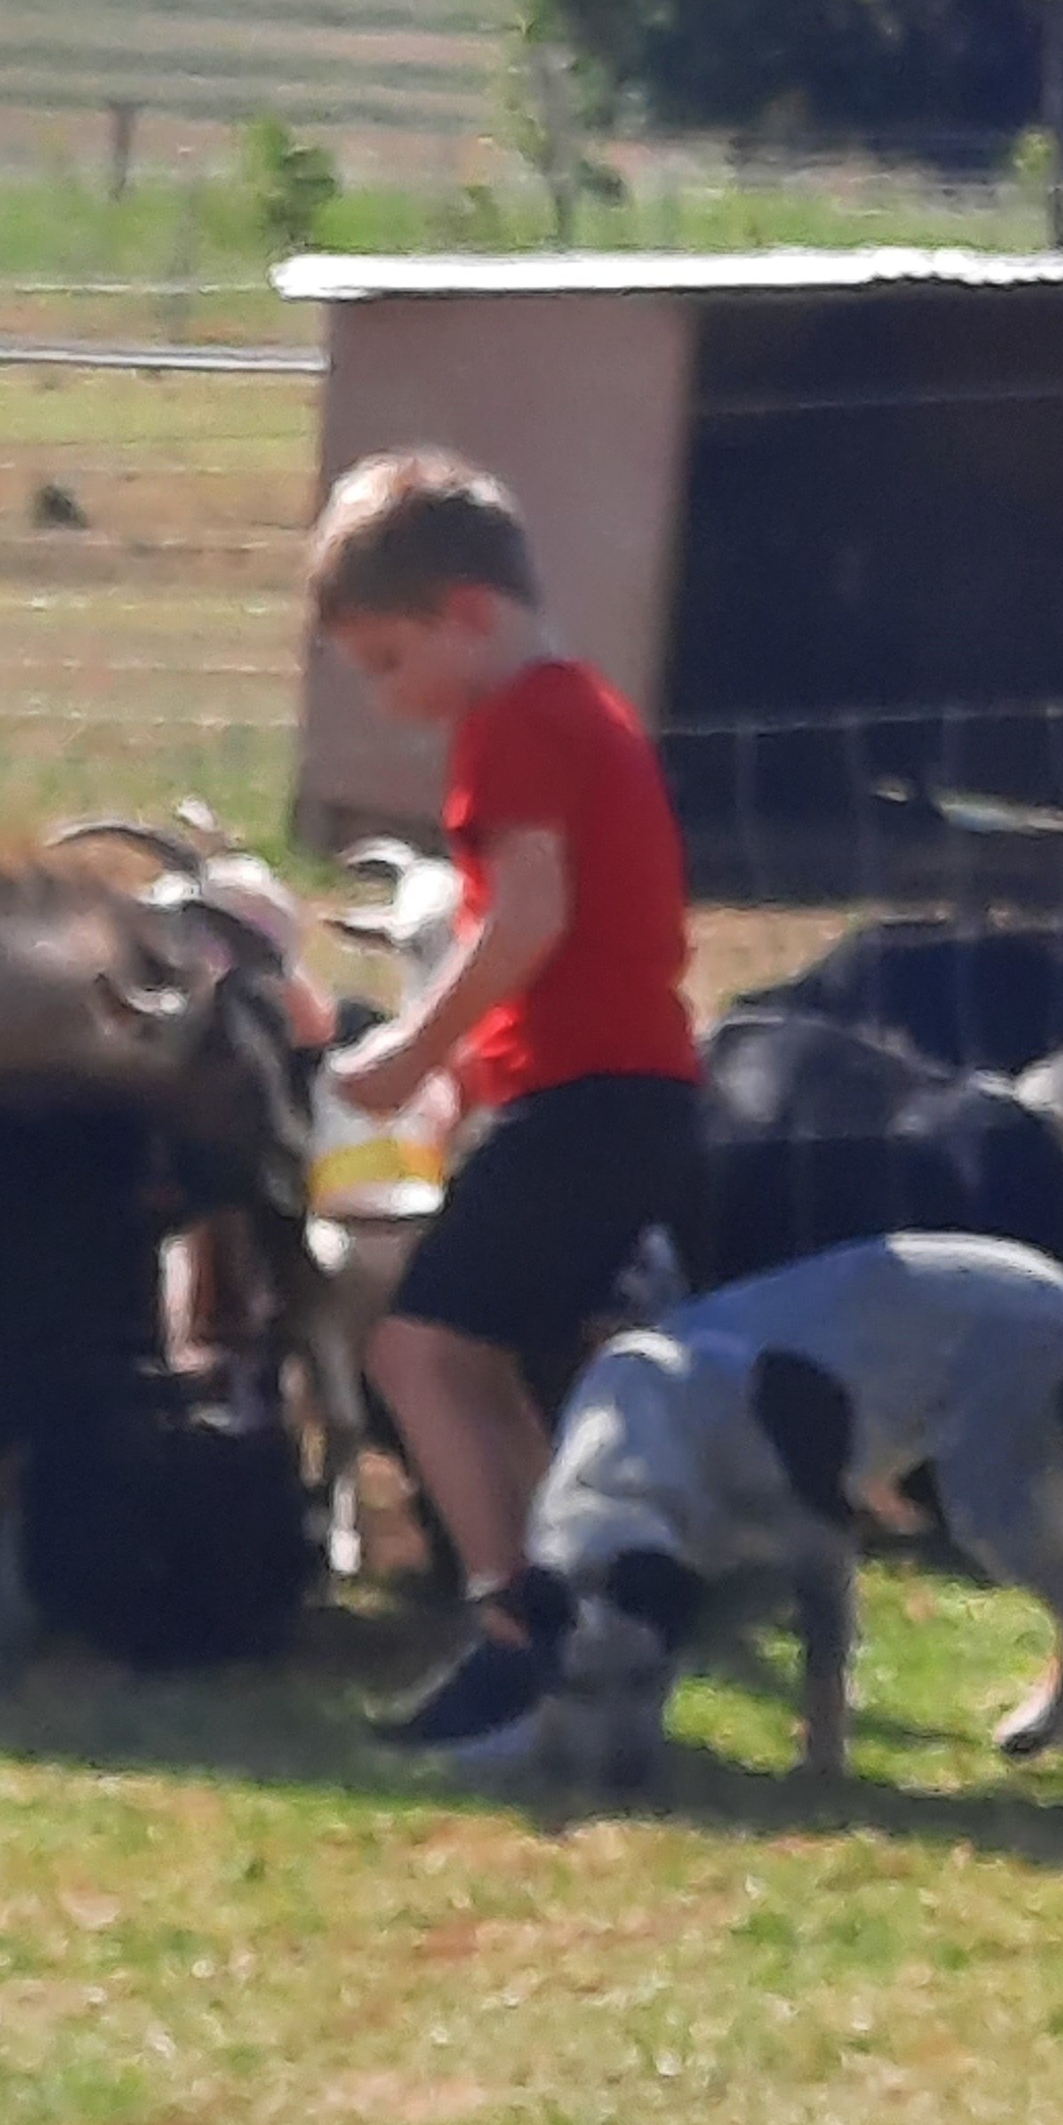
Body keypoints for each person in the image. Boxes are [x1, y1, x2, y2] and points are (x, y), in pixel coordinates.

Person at [308, 447, 704, 1748]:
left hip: (595, 1102)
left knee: (414, 1352)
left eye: (386, 661)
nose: (387, 700)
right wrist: (477, 1075)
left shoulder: (517, 722)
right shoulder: (585, 707)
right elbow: (587, 947)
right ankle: (573, 1620)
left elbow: (531, 915)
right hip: (623, 1093)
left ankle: (516, 1647)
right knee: (473, 1362)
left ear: (465, 614)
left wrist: (413, 1055)